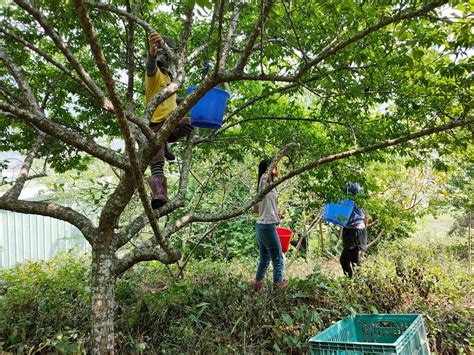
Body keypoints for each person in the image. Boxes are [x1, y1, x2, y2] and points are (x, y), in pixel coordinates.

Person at [146, 32, 194, 208]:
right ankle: (159, 195)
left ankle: (166, 142)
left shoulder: (171, 79)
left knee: (190, 122)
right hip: (155, 125)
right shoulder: (155, 75)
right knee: (156, 159)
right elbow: (150, 67)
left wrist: (194, 98)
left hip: (171, 123)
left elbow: (174, 101)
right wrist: (152, 52)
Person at [253, 160, 286, 291]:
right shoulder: (264, 181)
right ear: (270, 169)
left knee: (265, 259)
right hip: (267, 226)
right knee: (278, 260)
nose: (278, 170)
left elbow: (256, 209)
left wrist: (276, 214)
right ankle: (278, 289)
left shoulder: (268, 186)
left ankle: (257, 287)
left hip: (262, 225)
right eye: (276, 167)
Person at [339, 182, 368, 278]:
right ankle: (360, 283)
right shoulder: (361, 188)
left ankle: (350, 282)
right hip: (359, 229)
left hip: (353, 230)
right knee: (355, 259)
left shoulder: (349, 188)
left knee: (344, 260)